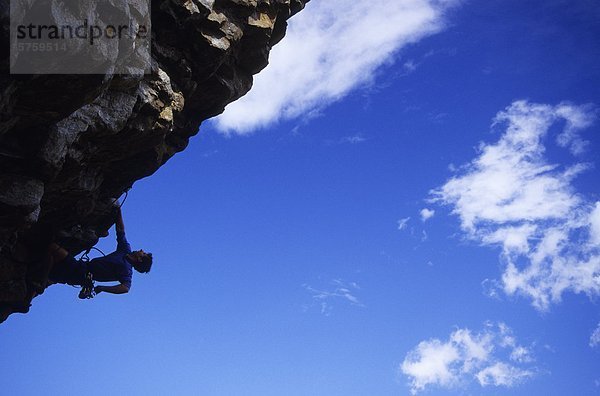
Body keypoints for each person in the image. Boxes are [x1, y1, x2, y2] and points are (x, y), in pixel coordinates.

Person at [47, 207, 152, 296]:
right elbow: (120, 231)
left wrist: (102, 288)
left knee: (51, 247)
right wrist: (118, 211)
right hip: (81, 269)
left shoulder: (126, 270)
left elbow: (125, 288)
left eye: (143, 253)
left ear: (139, 259)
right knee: (47, 269)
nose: (142, 250)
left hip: (81, 272)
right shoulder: (125, 250)